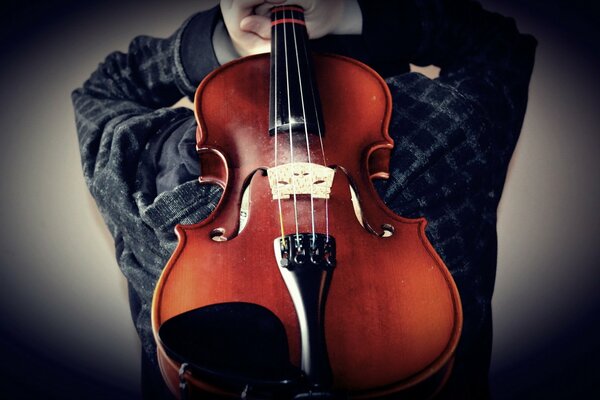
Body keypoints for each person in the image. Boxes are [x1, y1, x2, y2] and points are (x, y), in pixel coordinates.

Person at [72, 0, 536, 398]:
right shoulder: (445, 129)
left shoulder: (164, 166)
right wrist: (354, 12)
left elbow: (103, 90)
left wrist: (219, 37)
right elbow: (495, 43)